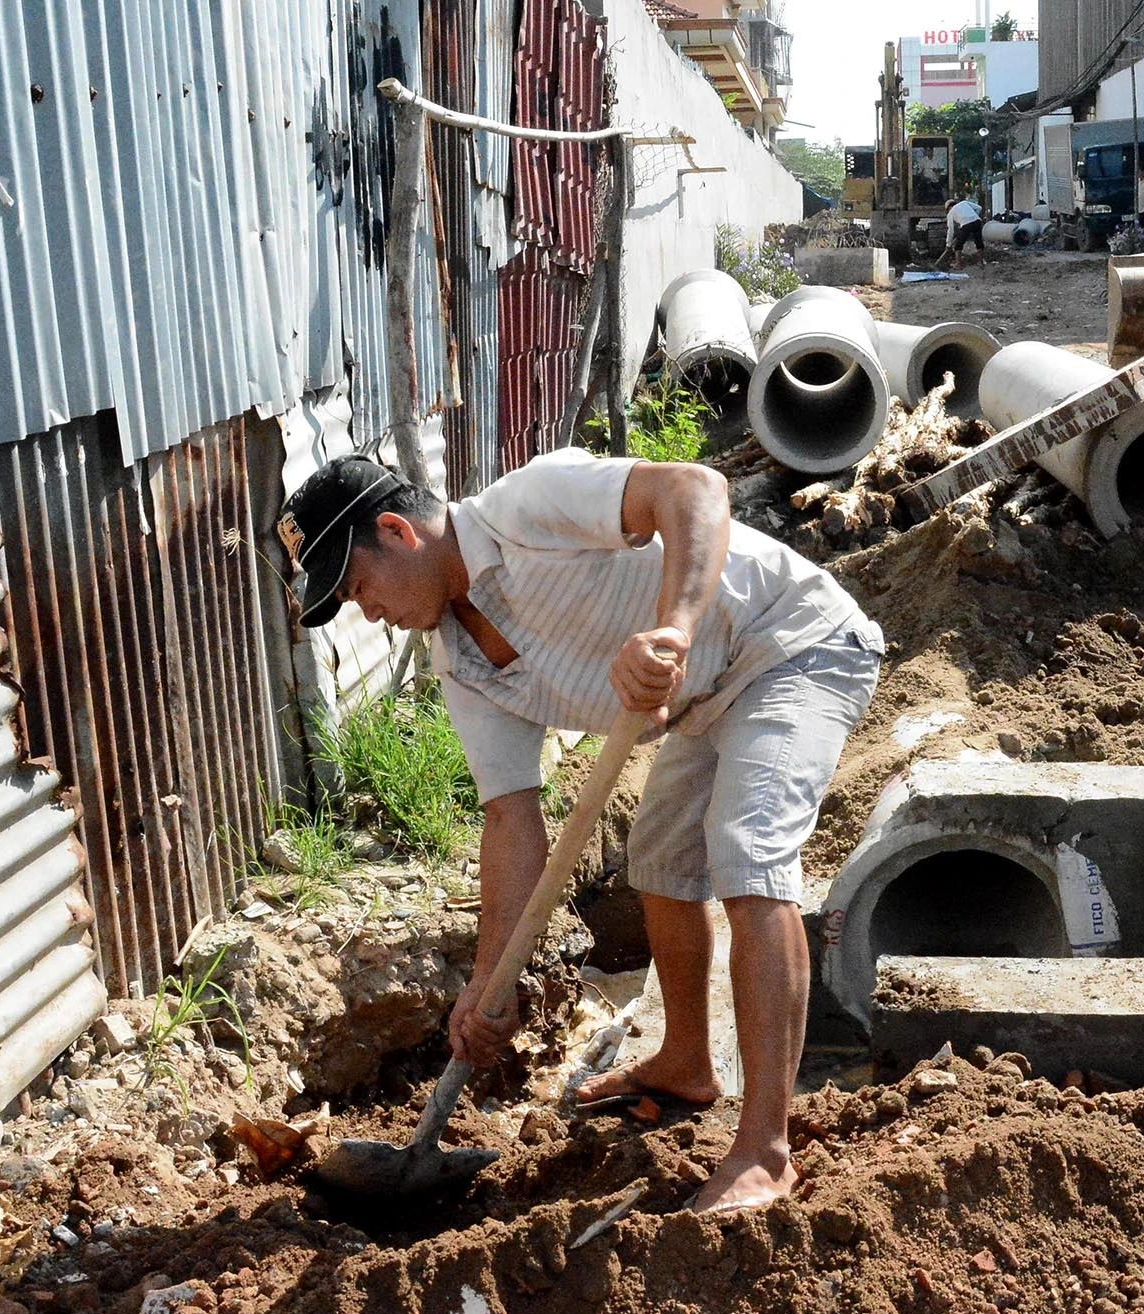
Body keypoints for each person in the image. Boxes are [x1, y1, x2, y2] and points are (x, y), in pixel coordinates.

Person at [275, 449, 883, 1214]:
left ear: (397, 531)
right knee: (659, 857)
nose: (369, 613)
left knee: (746, 845)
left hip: (794, 643)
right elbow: (511, 815)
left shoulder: (528, 506)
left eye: (359, 587)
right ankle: (689, 1062)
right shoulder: (460, 663)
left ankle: (766, 1149)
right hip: (705, 700)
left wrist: (671, 629)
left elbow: (694, 489)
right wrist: (488, 983)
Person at [941, 191, 987, 268]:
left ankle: (958, 264)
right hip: (977, 221)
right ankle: (981, 261)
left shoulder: (950, 213)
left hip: (966, 224)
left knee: (958, 245)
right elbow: (979, 208)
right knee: (979, 241)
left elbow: (950, 230)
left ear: (948, 208)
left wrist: (948, 244)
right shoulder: (964, 203)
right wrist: (974, 216)